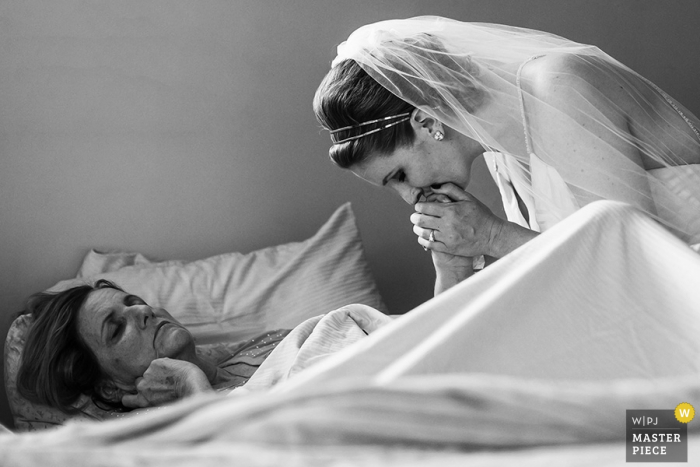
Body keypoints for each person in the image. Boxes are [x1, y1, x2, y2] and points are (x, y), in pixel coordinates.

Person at [313, 16, 700, 295]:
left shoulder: (560, 86)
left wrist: (492, 235)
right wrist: (453, 267)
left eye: (398, 175)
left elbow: (634, 267)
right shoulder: (501, 150)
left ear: (428, 121)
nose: (409, 197)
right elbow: (566, 282)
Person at [16, 279, 289, 414]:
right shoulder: (147, 438)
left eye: (134, 301)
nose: (144, 309)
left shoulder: (265, 345)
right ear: (109, 386)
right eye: (117, 328)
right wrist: (189, 385)